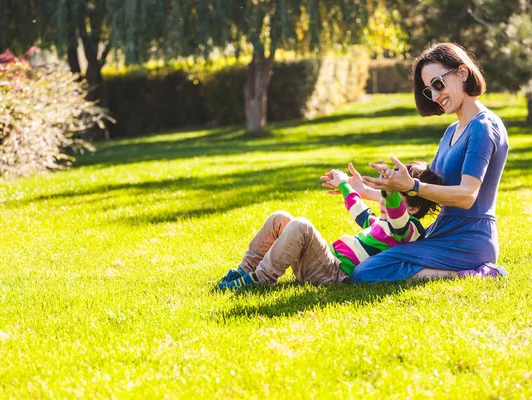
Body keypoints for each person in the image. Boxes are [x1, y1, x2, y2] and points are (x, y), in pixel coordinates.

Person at [334, 43, 509, 282]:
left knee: (367, 271)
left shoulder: (483, 127)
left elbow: (467, 196)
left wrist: (412, 186)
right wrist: (366, 191)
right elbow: (421, 196)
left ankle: (475, 274)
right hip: (442, 232)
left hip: (469, 240)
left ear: (462, 73)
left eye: (438, 84)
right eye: (429, 91)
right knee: (367, 265)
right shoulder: (451, 131)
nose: (436, 96)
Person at [216, 162, 444, 290]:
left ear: (413, 208)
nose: (383, 199)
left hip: (334, 274)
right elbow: (361, 212)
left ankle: (260, 279)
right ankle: (244, 270)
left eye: (390, 193)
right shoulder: (383, 224)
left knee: (301, 226)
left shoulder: (408, 230)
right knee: (280, 217)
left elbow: (397, 215)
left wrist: (391, 191)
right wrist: (346, 186)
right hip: (324, 265)